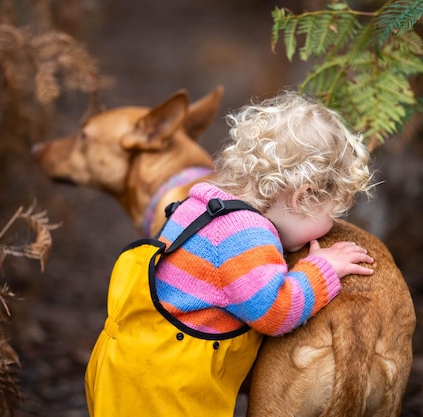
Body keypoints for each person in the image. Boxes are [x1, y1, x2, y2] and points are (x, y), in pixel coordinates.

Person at [85, 90, 375, 417]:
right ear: (303, 197)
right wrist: (321, 268)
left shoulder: (197, 205)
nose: (329, 226)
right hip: (167, 389)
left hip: (125, 362)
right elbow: (275, 312)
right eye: (330, 214)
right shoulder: (246, 235)